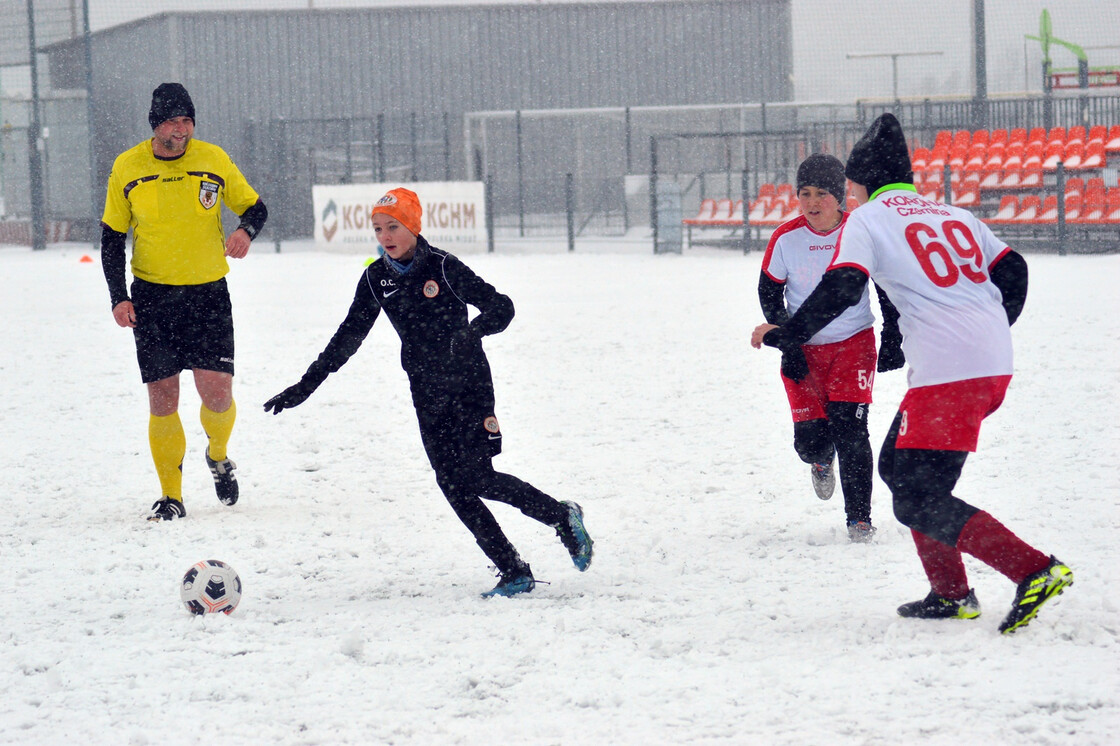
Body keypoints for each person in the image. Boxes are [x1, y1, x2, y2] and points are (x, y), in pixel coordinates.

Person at [751, 113, 1072, 634]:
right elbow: (1015, 270)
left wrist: (789, 334)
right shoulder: (953, 213)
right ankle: (951, 593)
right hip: (977, 364)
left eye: (847, 186)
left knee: (917, 494)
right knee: (899, 471)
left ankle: (1033, 569)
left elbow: (844, 286)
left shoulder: (868, 219)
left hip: (951, 372)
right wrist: (989, 329)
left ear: (855, 183)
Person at [263, 187, 593, 598]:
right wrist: (304, 386)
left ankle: (561, 516)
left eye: (394, 226)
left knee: (477, 477)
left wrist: (473, 333)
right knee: (451, 483)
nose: (385, 236)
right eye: (378, 228)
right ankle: (512, 570)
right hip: (426, 391)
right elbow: (348, 337)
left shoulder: (444, 267)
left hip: (469, 385)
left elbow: (500, 306)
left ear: (413, 227)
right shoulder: (375, 279)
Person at [101, 83, 268, 522]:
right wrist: (118, 296)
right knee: (163, 397)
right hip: (153, 297)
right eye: (174, 121)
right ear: (157, 125)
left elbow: (255, 207)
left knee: (216, 395)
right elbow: (112, 238)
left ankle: (218, 454)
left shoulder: (213, 159)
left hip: (207, 294)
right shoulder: (128, 166)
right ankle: (171, 495)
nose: (183, 129)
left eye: (188, 120)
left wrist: (244, 232)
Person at [757, 153, 903, 542]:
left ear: (840, 197)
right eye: (804, 193)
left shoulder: (860, 232)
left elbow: (886, 286)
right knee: (811, 442)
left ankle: (859, 519)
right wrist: (787, 343)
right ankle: (821, 460)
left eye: (822, 193)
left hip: (853, 344)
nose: (812, 202)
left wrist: (893, 335)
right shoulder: (785, 238)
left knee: (852, 429)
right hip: (803, 348)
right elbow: (769, 291)